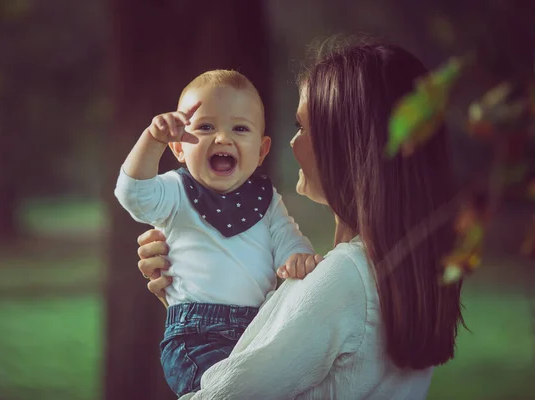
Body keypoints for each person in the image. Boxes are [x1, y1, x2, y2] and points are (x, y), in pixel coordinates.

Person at [136, 36, 465, 399]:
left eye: (303, 127)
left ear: (346, 145)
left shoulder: (344, 278)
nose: (292, 143)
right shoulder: (398, 271)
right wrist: (193, 295)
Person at [114, 70, 321, 397]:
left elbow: (288, 240)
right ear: (179, 148)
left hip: (257, 332)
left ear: (262, 151)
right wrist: (151, 140)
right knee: (220, 391)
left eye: (240, 128)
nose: (222, 138)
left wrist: (298, 258)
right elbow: (133, 194)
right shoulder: (175, 192)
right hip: (195, 334)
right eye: (206, 127)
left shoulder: (267, 202)